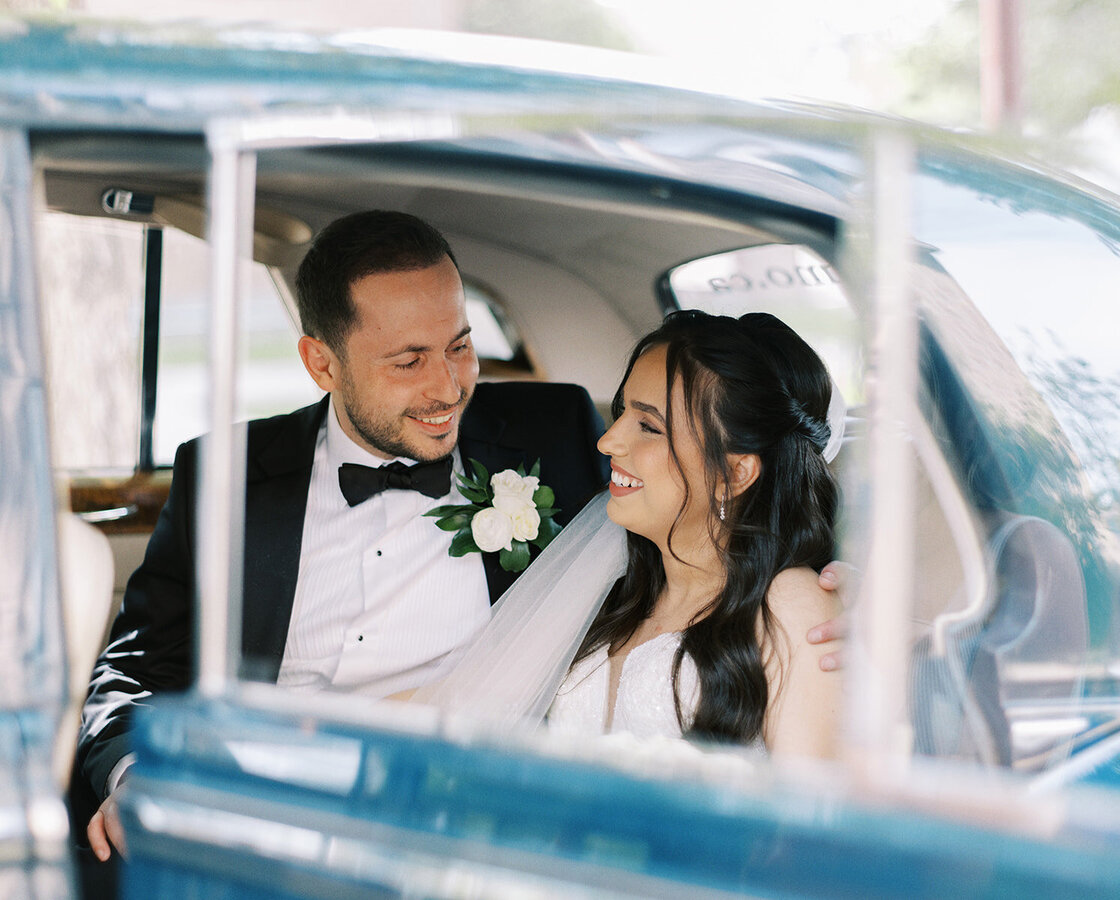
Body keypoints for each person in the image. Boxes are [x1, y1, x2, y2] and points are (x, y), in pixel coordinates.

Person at [73, 210, 611, 862]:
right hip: (260, 819)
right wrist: (135, 774)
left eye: (460, 346)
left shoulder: (554, 434)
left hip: (464, 825)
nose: (448, 387)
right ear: (320, 364)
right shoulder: (227, 473)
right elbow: (135, 668)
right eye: (409, 360)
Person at [414, 310, 844, 757]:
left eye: (649, 427)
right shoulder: (611, 590)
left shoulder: (794, 606)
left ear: (734, 473)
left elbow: (814, 815)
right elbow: (457, 704)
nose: (607, 441)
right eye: (621, 413)